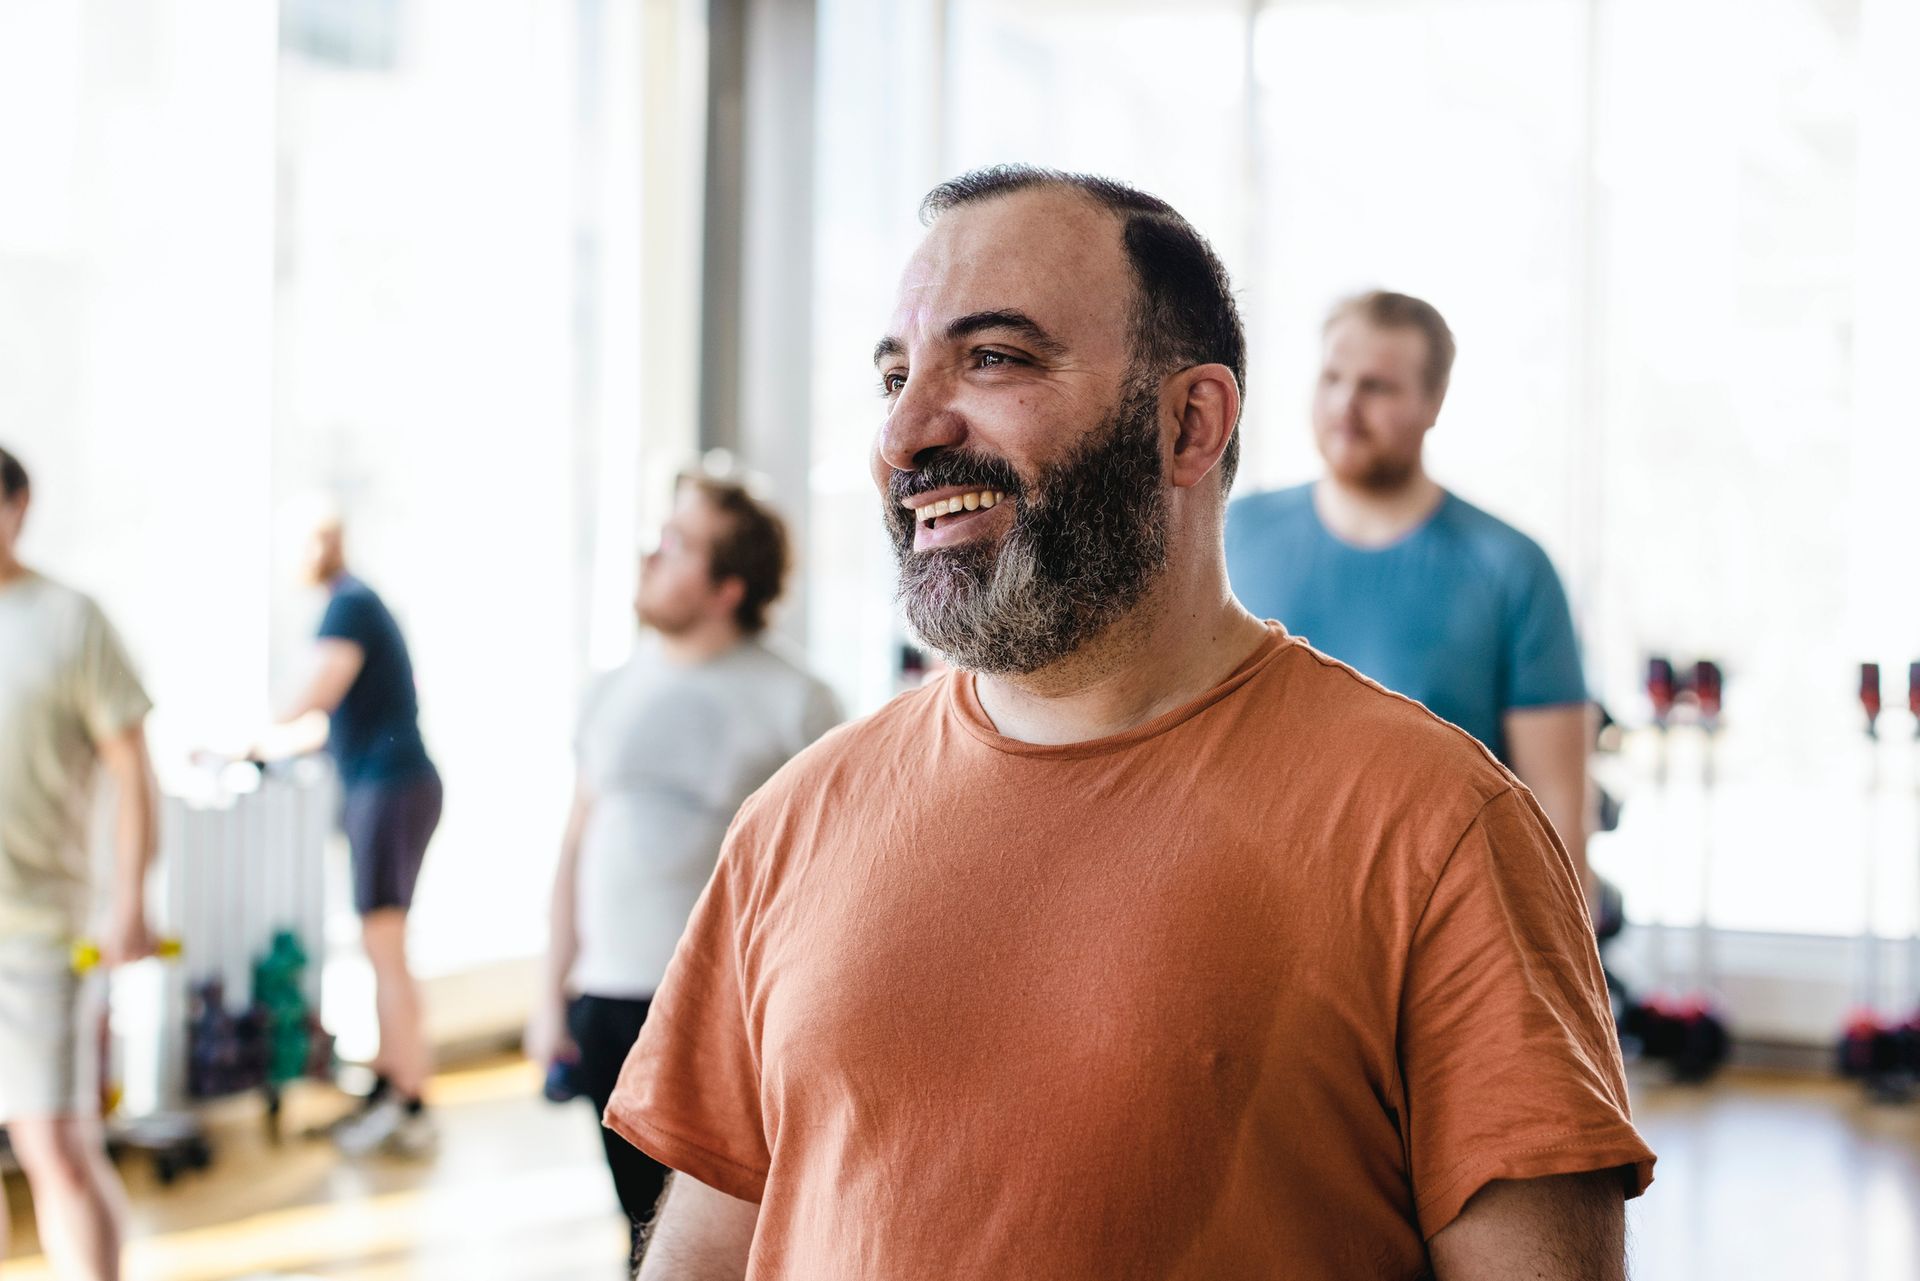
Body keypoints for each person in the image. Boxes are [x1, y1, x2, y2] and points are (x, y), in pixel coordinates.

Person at [607, 167, 1654, 1279]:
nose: (906, 432)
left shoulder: (1441, 831)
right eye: (894, 374)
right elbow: (703, 1251)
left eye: (995, 356)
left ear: (1189, 424)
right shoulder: (794, 821)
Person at [527, 468, 840, 1263]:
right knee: (641, 1235)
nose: (647, 558)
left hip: (725, 1019)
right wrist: (549, 993)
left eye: (675, 545)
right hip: (610, 1006)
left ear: (727, 585)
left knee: (735, 1243)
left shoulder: (798, 702)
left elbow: (827, 881)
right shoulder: (610, 690)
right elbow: (575, 847)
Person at [1225, 291, 1596, 906]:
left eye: (1378, 387)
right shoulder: (1229, 535)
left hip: (1437, 918)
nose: (1346, 405)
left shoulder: (1510, 568)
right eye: (1333, 377)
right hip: (1249, 903)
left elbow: (1557, 811)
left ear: (1433, 403)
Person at [0, 444, 158, 1280]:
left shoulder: (70, 618)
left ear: (17, 505)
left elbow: (135, 772)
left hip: (40, 930)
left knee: (55, 1143)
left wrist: (129, 898)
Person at [255, 510, 442, 1157]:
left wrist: (255, 729)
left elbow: (310, 696)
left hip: (391, 788)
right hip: (389, 785)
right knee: (381, 946)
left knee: (385, 947)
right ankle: (392, 1082)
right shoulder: (353, 604)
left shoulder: (349, 606)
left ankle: (410, 1100)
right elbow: (328, 722)